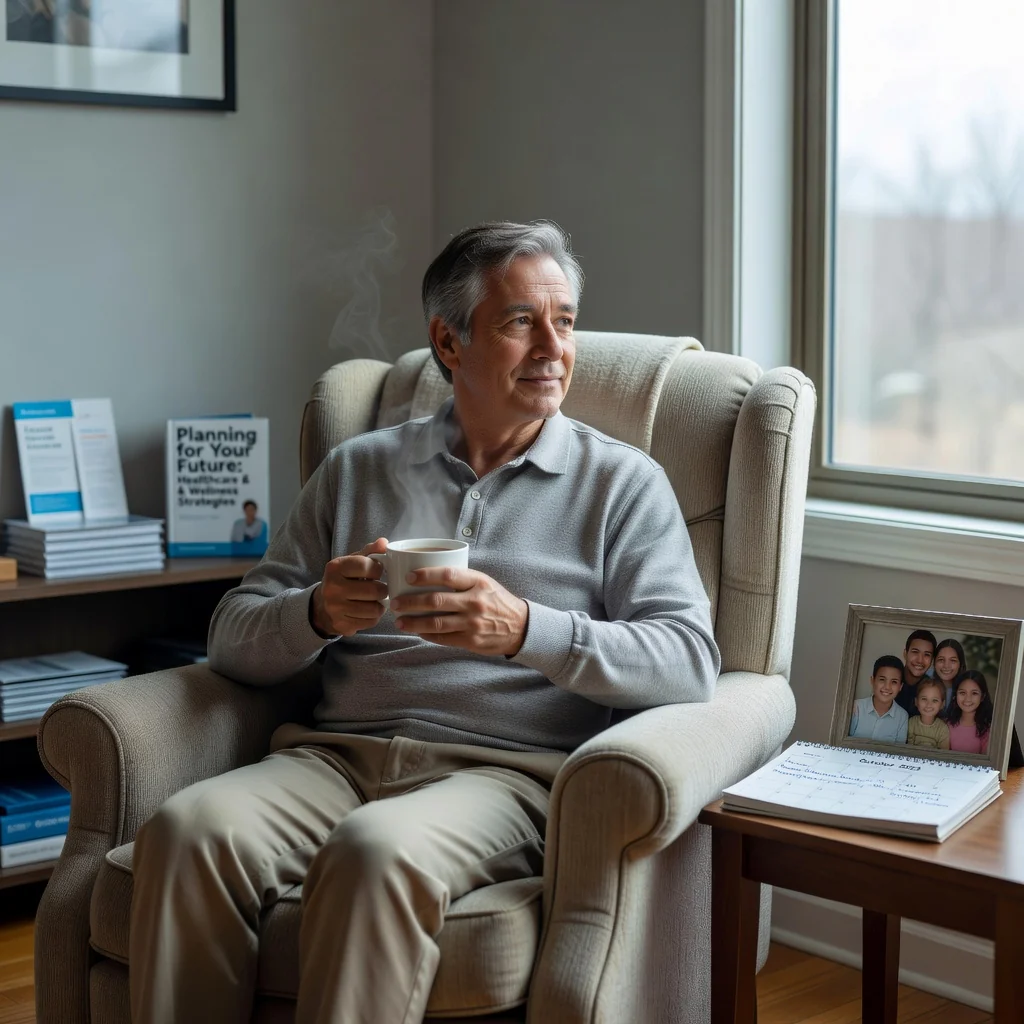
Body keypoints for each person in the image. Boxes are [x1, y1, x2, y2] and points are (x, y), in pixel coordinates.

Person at [128, 221, 721, 1024]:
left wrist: (525, 630)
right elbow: (231, 633)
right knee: (185, 831)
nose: (554, 346)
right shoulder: (359, 467)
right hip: (336, 759)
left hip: (502, 774)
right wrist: (316, 612)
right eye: (521, 322)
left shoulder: (623, 485)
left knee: (373, 854)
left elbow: (688, 661)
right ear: (449, 341)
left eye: (566, 320)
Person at [849, 655, 908, 743]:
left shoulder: (902, 716)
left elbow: (898, 751)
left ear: (900, 686)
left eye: (894, 682)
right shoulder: (856, 707)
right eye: (882, 680)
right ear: (872, 680)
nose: (887, 687)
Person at [946, 670, 993, 755]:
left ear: (982, 697)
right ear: (955, 694)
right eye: (962, 693)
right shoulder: (947, 725)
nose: (968, 699)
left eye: (974, 693)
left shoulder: (987, 731)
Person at [893, 628, 937, 718]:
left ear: (932, 660)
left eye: (927, 655)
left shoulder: (931, 689)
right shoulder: (890, 679)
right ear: (905, 653)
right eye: (915, 652)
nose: (920, 660)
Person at [906, 680, 951, 750]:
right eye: (924, 699)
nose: (929, 704)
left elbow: (943, 755)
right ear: (916, 701)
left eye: (935, 700)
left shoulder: (942, 729)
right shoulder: (911, 723)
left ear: (942, 704)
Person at [932, 638, 966, 714]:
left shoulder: (967, 692)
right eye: (941, 660)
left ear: (960, 664)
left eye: (953, 660)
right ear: (934, 663)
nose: (946, 666)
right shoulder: (925, 683)